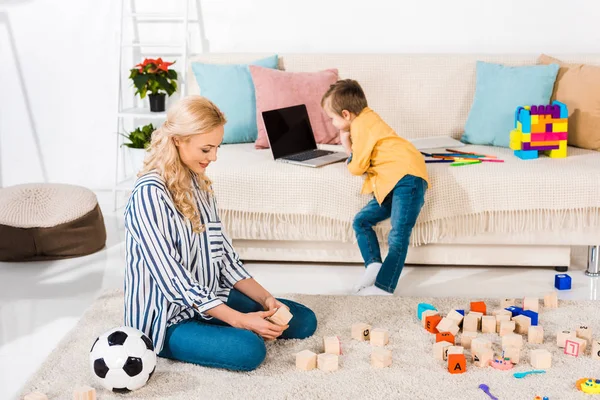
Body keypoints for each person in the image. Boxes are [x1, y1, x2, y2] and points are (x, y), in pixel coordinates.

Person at [124, 96, 317, 371]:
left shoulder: (200, 184)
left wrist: (265, 298)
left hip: (210, 297)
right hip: (166, 319)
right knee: (250, 349)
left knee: (302, 320)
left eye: (216, 148)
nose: (213, 157)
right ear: (178, 139)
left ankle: (218, 323)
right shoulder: (149, 194)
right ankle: (205, 334)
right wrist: (239, 319)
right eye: (206, 149)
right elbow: (174, 280)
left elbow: (225, 258)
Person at [321, 79, 429, 296]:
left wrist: (346, 144)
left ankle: (384, 287)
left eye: (331, 119)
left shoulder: (361, 127)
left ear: (345, 114)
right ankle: (374, 266)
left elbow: (357, 167)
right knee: (361, 221)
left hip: (408, 178)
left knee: (398, 235)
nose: (332, 124)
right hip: (393, 181)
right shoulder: (366, 118)